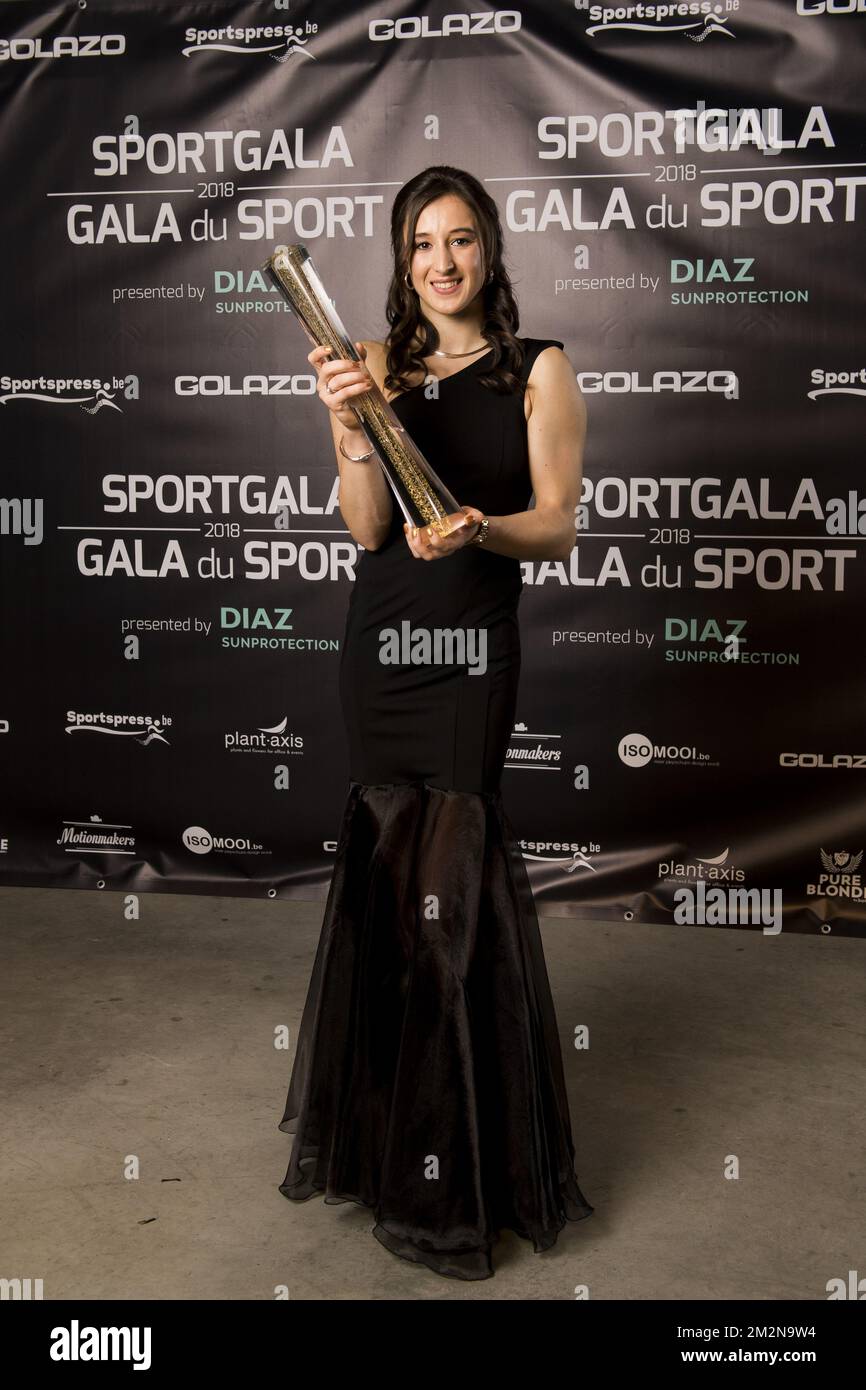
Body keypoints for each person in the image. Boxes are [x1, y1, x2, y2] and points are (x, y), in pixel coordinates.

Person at [277, 165, 593, 1281]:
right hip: (382, 651)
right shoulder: (366, 367)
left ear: (489, 253)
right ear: (402, 258)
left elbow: (554, 527)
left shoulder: (536, 369)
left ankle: (465, 1180)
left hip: (467, 655)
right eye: (422, 244)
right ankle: (387, 1152)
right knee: (391, 917)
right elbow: (366, 530)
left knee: (448, 922)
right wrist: (349, 430)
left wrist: (477, 532)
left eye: (461, 241)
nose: (442, 262)